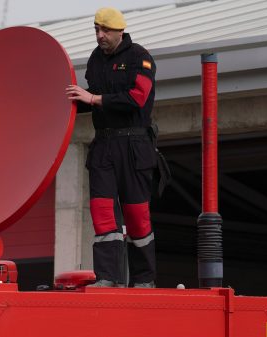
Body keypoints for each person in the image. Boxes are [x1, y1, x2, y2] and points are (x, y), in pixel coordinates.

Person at [66, 7, 159, 288]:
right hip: (104, 143)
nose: (100, 35)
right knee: (102, 212)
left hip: (134, 145)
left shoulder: (140, 57)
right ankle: (108, 277)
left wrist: (93, 99)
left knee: (137, 216)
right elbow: (90, 97)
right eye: (96, 29)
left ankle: (144, 280)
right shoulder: (95, 60)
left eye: (105, 30)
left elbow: (136, 99)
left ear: (120, 31)